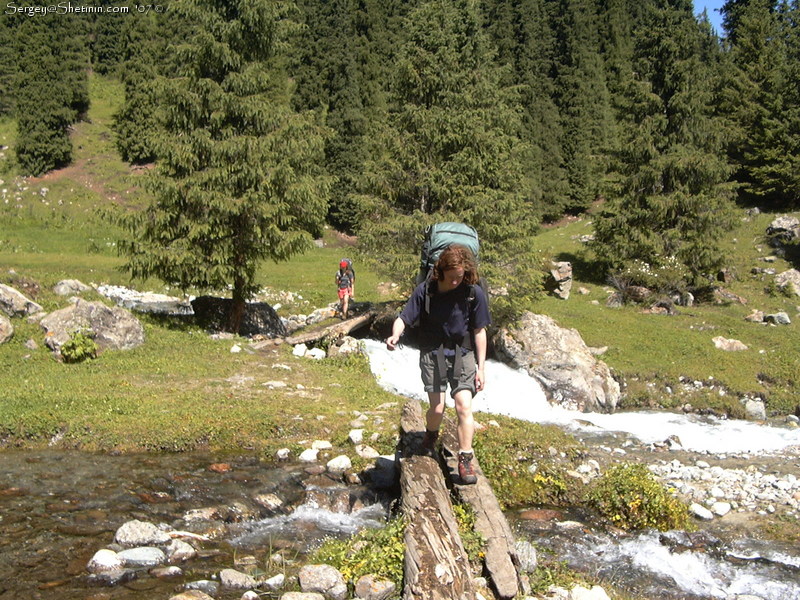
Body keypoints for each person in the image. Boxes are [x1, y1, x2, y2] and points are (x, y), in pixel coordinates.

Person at [385, 244, 490, 484]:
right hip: (432, 353)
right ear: (441, 271)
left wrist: (481, 368)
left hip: (462, 353)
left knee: (464, 406)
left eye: (460, 277)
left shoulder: (473, 293)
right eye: (452, 277)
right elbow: (404, 317)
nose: (456, 282)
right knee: (438, 408)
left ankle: (465, 460)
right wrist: (395, 335)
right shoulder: (426, 291)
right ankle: (431, 435)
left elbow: (479, 330)